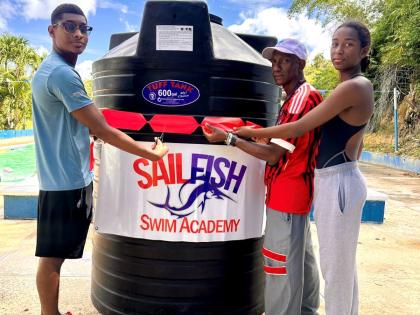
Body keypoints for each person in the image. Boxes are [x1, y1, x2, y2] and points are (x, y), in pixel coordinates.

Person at [31, 4, 168, 315]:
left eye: (83, 28)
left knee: (55, 255)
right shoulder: (62, 75)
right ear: (52, 30)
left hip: (61, 178)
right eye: (69, 26)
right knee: (52, 258)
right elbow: (103, 129)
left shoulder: (52, 70)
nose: (78, 34)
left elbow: (79, 123)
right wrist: (152, 154)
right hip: (64, 184)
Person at [235, 21, 374, 315]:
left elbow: (299, 127)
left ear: (364, 50)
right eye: (335, 43)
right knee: (340, 266)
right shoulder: (348, 87)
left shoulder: (354, 86)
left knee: (335, 270)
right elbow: (355, 143)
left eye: (348, 44)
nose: (338, 51)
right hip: (336, 178)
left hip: (338, 182)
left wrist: (239, 134)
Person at [203, 38, 322, 315]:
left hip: (288, 195)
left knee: (279, 263)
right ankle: (307, 310)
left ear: (301, 64)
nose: (276, 67)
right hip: (296, 194)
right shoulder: (295, 97)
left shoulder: (302, 98)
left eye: (285, 61)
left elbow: (273, 156)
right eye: (274, 61)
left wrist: (230, 138)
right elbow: (281, 144)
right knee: (301, 259)